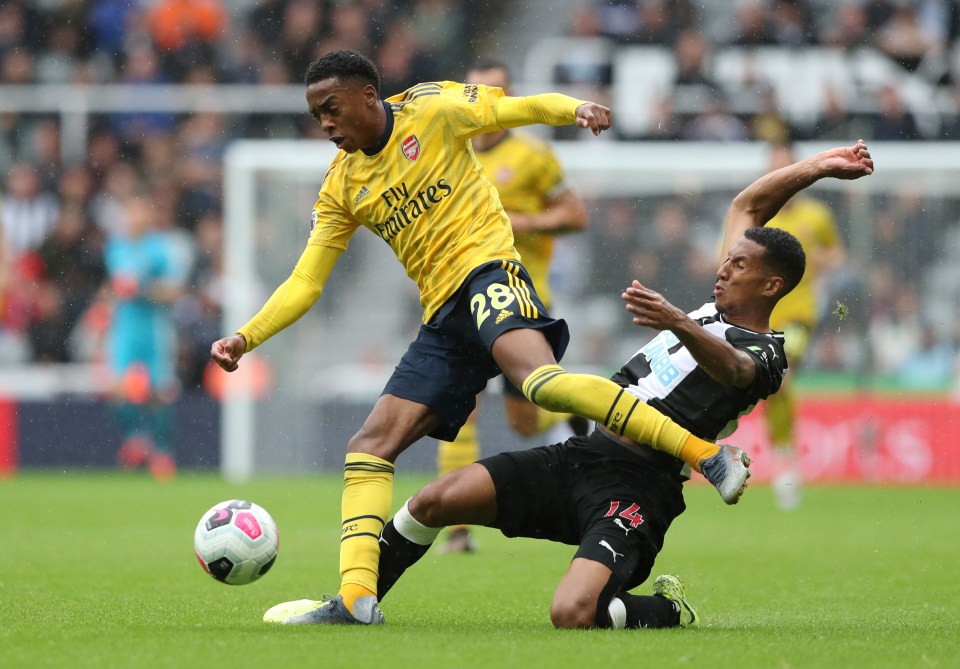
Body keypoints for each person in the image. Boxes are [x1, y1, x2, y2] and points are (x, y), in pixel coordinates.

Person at [211, 49, 749, 627]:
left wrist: (575, 109)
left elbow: (512, 109)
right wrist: (246, 336)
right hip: (443, 316)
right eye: (317, 116)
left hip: (488, 275)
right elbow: (305, 281)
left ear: (369, 95)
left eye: (332, 109)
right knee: (369, 445)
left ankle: (707, 456)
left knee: (541, 385)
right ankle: (354, 600)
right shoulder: (342, 186)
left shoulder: (431, 108)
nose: (326, 125)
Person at [360, 140, 873, 631]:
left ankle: (665, 610)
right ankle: (356, 604)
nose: (723, 269)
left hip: (637, 488)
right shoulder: (712, 309)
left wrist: (677, 320)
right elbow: (748, 203)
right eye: (726, 259)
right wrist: (820, 166)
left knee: (573, 613)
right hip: (582, 454)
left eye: (739, 266)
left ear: (770, 286)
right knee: (433, 500)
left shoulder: (768, 353)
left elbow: (736, 371)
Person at [435, 58, 590, 554]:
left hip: (522, 294)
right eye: (477, 92)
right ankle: (457, 528)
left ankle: (565, 416)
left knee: (525, 420)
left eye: (495, 92)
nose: (485, 102)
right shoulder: (450, 151)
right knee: (460, 406)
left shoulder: (534, 156)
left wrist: (523, 223)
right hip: (462, 292)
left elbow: (575, 214)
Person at [762, 141, 846, 510]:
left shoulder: (816, 216)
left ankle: (785, 464)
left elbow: (836, 252)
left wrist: (822, 263)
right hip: (760, 318)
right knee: (766, 386)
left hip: (799, 315)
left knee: (781, 376)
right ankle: (782, 455)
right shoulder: (759, 214)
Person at [104, 192, 188, 480]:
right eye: (130, 211)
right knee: (117, 389)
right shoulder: (116, 247)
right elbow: (113, 286)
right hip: (125, 327)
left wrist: (143, 290)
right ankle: (136, 438)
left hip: (153, 327)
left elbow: (174, 292)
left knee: (157, 393)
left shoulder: (160, 248)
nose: (135, 217)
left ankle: (163, 454)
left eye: (140, 211)